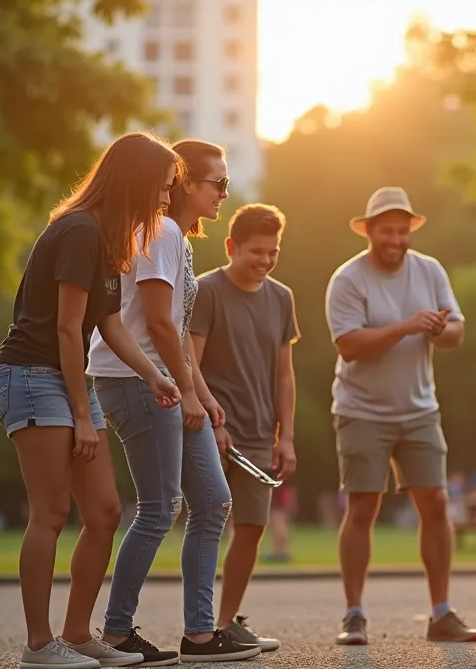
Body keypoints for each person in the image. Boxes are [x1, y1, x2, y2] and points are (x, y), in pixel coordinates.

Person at [0, 132, 183, 669]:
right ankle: (38, 646)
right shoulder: (78, 232)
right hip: (30, 376)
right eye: (163, 189)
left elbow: (110, 324)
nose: (167, 201)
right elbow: (70, 330)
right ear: (137, 183)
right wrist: (81, 414)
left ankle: (76, 634)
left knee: (104, 512)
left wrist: (156, 375)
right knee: (50, 512)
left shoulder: (108, 237)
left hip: (61, 378)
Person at [88, 138, 259, 665]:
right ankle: (117, 631)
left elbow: (178, 331)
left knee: (212, 502)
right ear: (184, 182)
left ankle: (201, 635)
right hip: (139, 381)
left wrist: (202, 394)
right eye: (218, 183)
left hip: (161, 381)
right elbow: (158, 323)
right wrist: (185, 391)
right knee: (161, 508)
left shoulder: (173, 237)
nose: (224, 194)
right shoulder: (159, 232)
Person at [325, 186, 476, 645]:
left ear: (410, 231)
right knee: (362, 507)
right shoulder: (348, 279)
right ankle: (354, 614)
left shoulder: (429, 270)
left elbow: (456, 331)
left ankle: (441, 614)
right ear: (368, 231)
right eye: (385, 231)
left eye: (401, 231)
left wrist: (438, 330)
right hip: (361, 411)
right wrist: (408, 325)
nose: (394, 239)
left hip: (419, 409)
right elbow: (349, 345)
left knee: (434, 504)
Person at [188, 202, 299, 653]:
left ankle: (226, 622)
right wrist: (208, 419)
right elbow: (187, 361)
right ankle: (198, 627)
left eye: (273, 252)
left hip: (257, 435)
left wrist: (285, 436)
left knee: (251, 527)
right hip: (211, 429)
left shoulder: (281, 297)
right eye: (256, 251)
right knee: (207, 521)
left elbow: (284, 374)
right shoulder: (206, 291)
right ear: (232, 246)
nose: (265, 260)